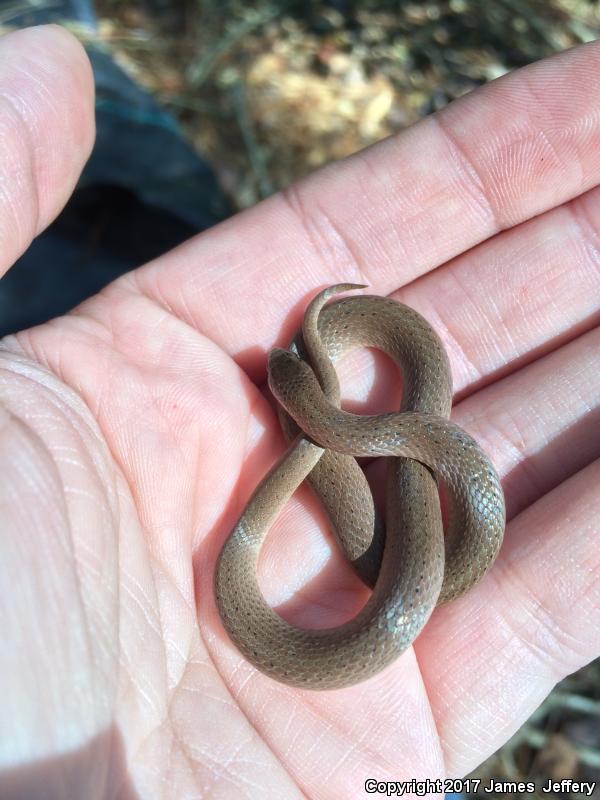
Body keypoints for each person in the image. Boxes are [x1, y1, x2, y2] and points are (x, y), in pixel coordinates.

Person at [1, 23, 598, 799]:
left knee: (410, 555)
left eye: (297, 384)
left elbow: (384, 493)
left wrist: (325, 429)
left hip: (358, 446)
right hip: (350, 450)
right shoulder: (355, 426)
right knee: (410, 559)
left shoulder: (378, 426)